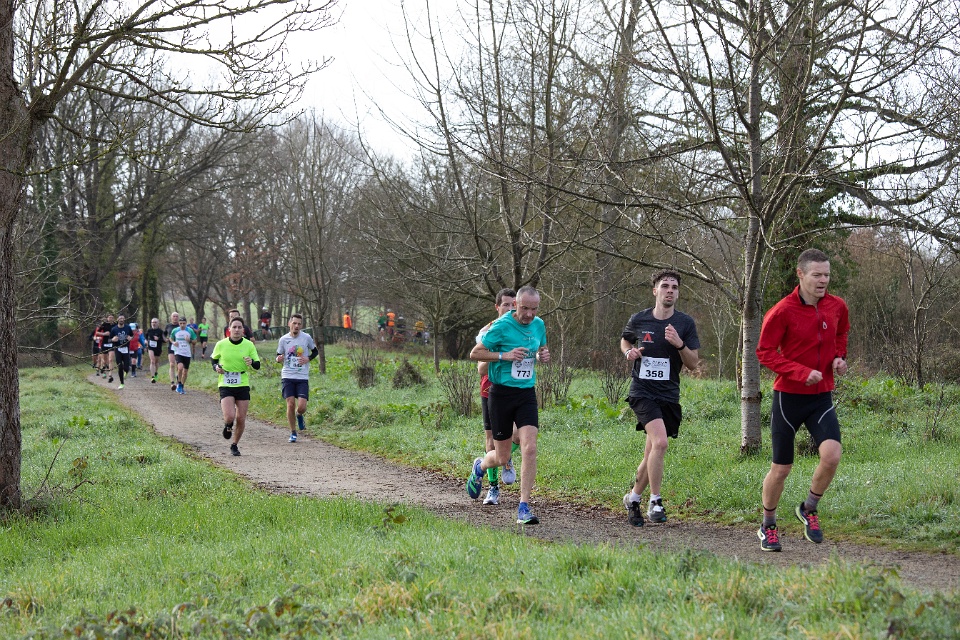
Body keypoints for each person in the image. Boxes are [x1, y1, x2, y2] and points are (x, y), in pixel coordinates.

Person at [756, 248, 850, 552]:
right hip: (789, 398)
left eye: (827, 275)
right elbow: (764, 352)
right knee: (781, 468)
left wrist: (839, 357)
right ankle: (768, 525)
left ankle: (809, 508)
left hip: (821, 397)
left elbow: (841, 333)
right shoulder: (782, 311)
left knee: (832, 456)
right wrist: (800, 372)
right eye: (817, 275)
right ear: (801, 274)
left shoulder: (837, 306)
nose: (823, 280)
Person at [620, 270, 700, 527]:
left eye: (674, 287)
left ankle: (633, 498)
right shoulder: (639, 319)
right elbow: (625, 342)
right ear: (655, 290)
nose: (670, 291)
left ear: (678, 293)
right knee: (661, 443)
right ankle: (655, 501)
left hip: (669, 395)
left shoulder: (685, 323)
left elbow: (693, 363)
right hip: (642, 392)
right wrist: (629, 352)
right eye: (665, 286)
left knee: (652, 453)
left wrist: (679, 344)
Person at [468, 286, 550, 525]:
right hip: (501, 394)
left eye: (534, 309)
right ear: (516, 304)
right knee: (502, 457)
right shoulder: (501, 326)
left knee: (530, 448)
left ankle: (524, 507)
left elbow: (541, 349)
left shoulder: (539, 325)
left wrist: (542, 356)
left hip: (526, 394)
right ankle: (480, 466)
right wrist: (504, 355)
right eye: (525, 308)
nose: (529, 314)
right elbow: (476, 354)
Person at [475, 289, 521, 506]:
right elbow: (481, 368)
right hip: (490, 390)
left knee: (519, 435)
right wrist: (503, 356)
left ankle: (507, 456)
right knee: (492, 441)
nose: (510, 309)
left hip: (515, 389)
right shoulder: (487, 331)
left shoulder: (522, 329)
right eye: (506, 305)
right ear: (497, 307)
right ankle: (493, 488)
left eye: (513, 305)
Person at [212, 317, 261, 456]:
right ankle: (228, 425)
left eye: (240, 327)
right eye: (234, 327)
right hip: (226, 382)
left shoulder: (249, 345)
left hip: (242, 383)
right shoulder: (221, 344)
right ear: (229, 329)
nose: (237, 330)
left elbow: (257, 365)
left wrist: (251, 362)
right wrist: (216, 367)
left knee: (241, 418)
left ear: (243, 330)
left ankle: (234, 444)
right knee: (230, 416)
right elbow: (214, 360)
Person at [275, 314, 319, 443]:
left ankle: (299, 414)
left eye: (299, 324)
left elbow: (315, 351)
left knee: (302, 407)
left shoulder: (306, 338)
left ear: (301, 325)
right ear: (289, 324)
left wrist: (308, 358)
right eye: (294, 323)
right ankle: (293, 432)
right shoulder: (283, 339)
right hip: (287, 375)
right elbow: (278, 355)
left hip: (302, 376)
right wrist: (279, 359)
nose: (296, 326)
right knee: (290, 404)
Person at [170, 316, 197, 394]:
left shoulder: (190, 330)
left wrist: (189, 340)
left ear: (186, 323)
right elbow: (171, 338)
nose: (182, 325)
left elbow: (195, 341)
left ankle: (181, 386)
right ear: (179, 323)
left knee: (185, 372)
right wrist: (173, 342)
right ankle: (178, 383)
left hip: (187, 353)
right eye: (181, 323)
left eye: (184, 323)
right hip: (178, 352)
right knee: (180, 368)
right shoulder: (175, 330)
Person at [109, 314, 135, 389]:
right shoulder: (114, 329)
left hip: (126, 349)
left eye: (123, 318)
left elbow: (132, 336)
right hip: (118, 349)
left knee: (126, 367)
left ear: (124, 320)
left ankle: (126, 371)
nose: (121, 319)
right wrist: (113, 340)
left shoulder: (128, 327)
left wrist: (130, 338)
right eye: (120, 318)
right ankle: (122, 383)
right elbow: (109, 339)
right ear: (117, 319)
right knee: (120, 366)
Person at [144, 318, 165, 383]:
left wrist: (158, 339)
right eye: (152, 322)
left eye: (155, 322)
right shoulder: (149, 330)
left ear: (158, 323)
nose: (154, 323)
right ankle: (152, 377)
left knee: (156, 362)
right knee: (152, 361)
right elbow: (146, 337)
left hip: (158, 348)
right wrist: (146, 341)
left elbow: (164, 340)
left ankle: (156, 373)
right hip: (150, 347)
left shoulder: (160, 331)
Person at [163, 311, 180, 390]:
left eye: (176, 316)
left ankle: (178, 381)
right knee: (172, 364)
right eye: (174, 316)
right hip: (171, 346)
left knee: (178, 365)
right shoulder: (168, 326)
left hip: (179, 347)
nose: (175, 318)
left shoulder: (180, 325)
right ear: (171, 317)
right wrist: (165, 339)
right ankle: (172, 382)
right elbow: (164, 334)